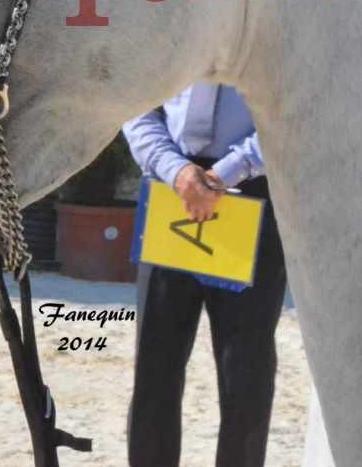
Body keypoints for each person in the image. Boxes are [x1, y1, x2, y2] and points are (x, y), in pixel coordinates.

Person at [122, 84, 286, 467]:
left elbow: (295, 108)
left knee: (244, 375)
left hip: (252, 190)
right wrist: (175, 169)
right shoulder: (160, 26)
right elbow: (136, 105)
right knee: (154, 371)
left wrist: (231, 169)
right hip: (170, 191)